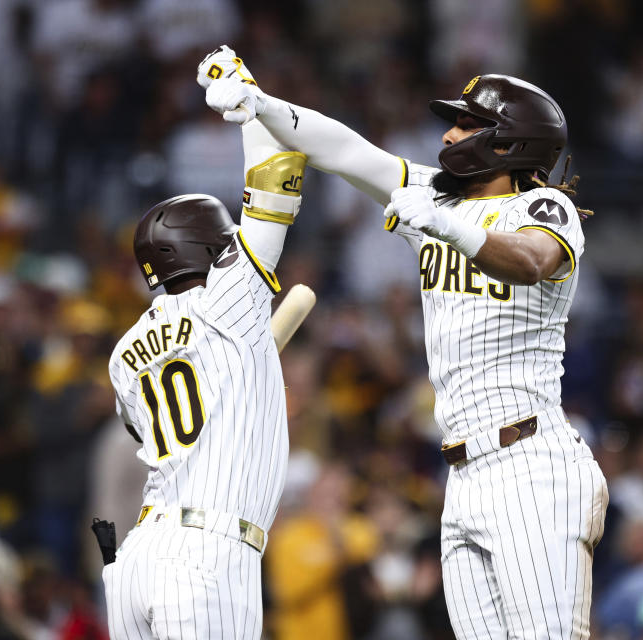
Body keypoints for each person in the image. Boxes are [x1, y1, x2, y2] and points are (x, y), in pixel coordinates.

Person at [199, 46, 608, 639]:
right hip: (462, 473)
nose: (448, 135)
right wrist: (260, 103)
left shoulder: (544, 206)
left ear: (508, 142)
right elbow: (344, 151)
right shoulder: (437, 198)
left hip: (531, 463)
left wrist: (443, 223)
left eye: (467, 123)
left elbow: (531, 260)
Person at [103, 104, 307, 639]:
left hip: (137, 558)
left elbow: (161, 425)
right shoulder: (229, 300)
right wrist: (254, 112)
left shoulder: (123, 352)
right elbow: (274, 186)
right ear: (214, 249)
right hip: (208, 553)